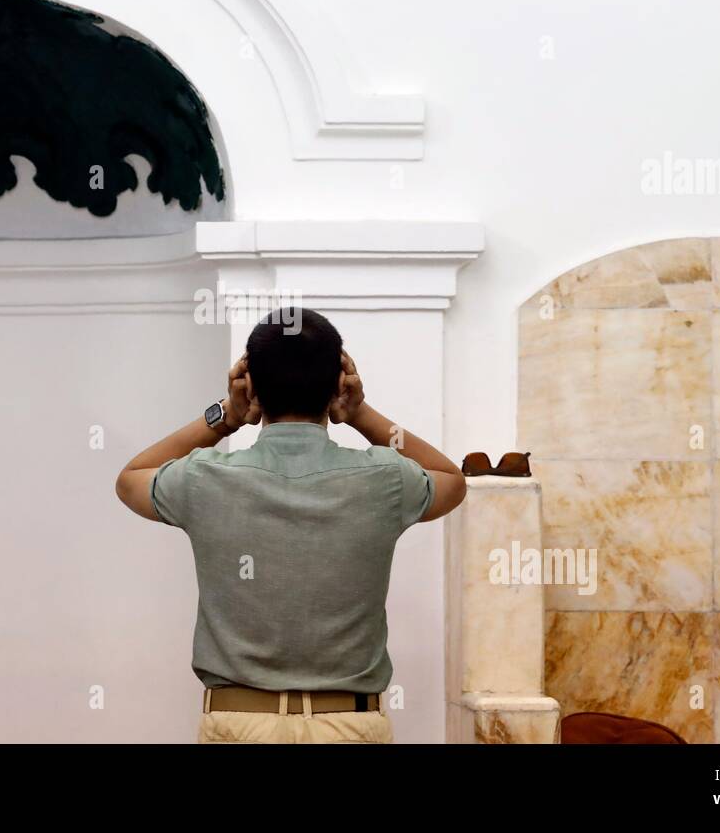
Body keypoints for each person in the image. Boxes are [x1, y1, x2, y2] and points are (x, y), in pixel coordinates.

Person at [115, 308, 467, 743]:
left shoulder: (204, 478)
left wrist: (225, 414)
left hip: (239, 725)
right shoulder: (386, 478)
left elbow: (131, 478)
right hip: (348, 726)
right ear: (339, 385)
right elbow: (452, 480)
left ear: (253, 388)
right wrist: (359, 413)